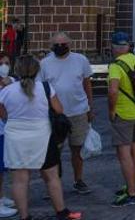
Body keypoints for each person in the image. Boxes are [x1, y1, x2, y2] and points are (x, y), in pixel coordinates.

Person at [0, 56, 82, 220]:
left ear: (16, 70)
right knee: (51, 176)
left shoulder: (6, 91)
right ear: (37, 71)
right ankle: (61, 212)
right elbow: (59, 109)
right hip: (43, 136)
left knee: (19, 180)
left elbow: (3, 116)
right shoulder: (46, 88)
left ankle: (24, 216)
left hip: (16, 138)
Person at [38, 32, 94, 195]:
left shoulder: (81, 60)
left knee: (77, 149)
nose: (60, 47)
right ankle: (54, 185)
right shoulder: (45, 64)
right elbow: (41, 89)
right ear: (51, 45)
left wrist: (90, 107)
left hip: (79, 111)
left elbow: (87, 84)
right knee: (55, 151)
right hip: (55, 114)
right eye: (57, 44)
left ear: (70, 44)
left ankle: (78, 180)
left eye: (64, 44)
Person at [107, 32, 135, 207]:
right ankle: (132, 185)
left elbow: (113, 91)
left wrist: (111, 110)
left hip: (123, 113)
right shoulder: (134, 58)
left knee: (124, 155)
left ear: (114, 47)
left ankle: (131, 193)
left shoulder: (115, 66)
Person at [0, 55, 18, 218]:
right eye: (1, 64)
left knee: (2, 168)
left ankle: (1, 196)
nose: (4, 66)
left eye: (7, 63)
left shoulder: (11, 81)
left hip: (5, 130)